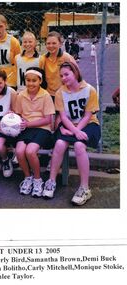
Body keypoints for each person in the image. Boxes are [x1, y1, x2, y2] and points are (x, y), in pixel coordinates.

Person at [42, 62, 101, 206]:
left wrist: (76, 131)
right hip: (69, 124)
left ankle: (84, 188)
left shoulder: (89, 90)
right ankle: (51, 181)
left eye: (66, 74)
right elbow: (63, 117)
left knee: (79, 145)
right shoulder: (60, 92)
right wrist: (73, 130)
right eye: (61, 76)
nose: (63, 78)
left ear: (75, 73)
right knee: (60, 143)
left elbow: (87, 116)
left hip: (89, 124)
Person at [15, 67, 55, 197]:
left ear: (40, 81)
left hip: (43, 129)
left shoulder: (45, 95)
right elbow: (18, 113)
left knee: (30, 151)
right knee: (19, 151)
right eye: (28, 80)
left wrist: (28, 123)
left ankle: (38, 180)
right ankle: (28, 177)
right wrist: (13, 117)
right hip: (26, 128)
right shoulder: (21, 95)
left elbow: (48, 119)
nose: (31, 83)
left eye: (34, 80)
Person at [40, 31, 77, 171]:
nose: (51, 46)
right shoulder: (44, 59)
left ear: (60, 43)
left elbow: (77, 74)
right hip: (49, 96)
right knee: (48, 125)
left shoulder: (66, 57)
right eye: (48, 43)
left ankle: (55, 157)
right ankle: (47, 152)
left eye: (54, 43)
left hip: (63, 96)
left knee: (58, 125)